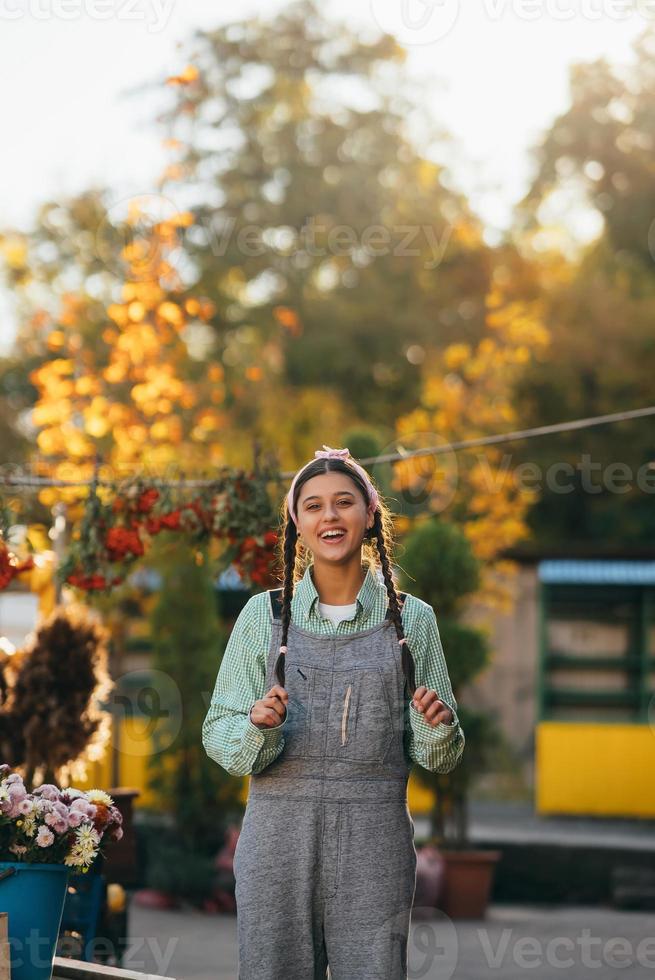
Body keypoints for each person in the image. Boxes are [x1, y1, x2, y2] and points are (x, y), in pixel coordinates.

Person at [202, 445, 465, 979]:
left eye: (344, 502)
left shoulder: (412, 622)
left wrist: (437, 728)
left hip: (376, 841)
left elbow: (440, 757)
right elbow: (218, 733)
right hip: (277, 839)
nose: (330, 516)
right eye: (315, 505)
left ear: (370, 516)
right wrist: (256, 725)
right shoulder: (263, 616)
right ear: (297, 522)